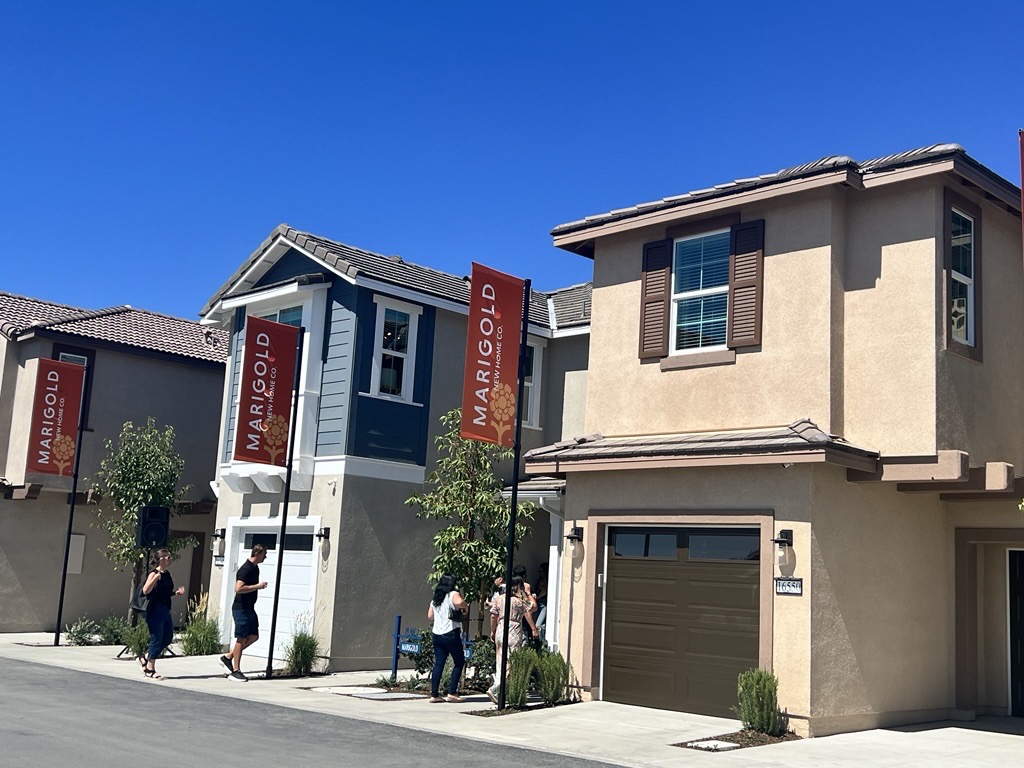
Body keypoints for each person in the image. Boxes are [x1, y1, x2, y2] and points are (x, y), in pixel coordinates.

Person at [488, 575, 539, 704]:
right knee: (511, 662)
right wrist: (528, 593)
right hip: (514, 631)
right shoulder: (519, 601)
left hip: (500, 629)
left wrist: (492, 630)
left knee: (500, 661)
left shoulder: (499, 599)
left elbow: (493, 615)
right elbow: (534, 607)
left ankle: (499, 689)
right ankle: (496, 688)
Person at [220, 543, 268, 682]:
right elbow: (238, 588)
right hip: (240, 608)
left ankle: (228, 657)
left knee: (253, 636)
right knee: (241, 638)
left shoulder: (255, 568)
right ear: (257, 553)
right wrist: (257, 586)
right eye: (264, 554)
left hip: (249, 608)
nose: (265, 557)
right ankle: (235, 671)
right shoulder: (245, 569)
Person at [140, 548, 185, 680]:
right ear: (161, 559)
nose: (170, 560)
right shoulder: (154, 573)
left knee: (167, 638)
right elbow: (145, 591)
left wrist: (176, 593)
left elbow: (164, 592)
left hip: (165, 609)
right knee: (156, 639)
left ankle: (145, 658)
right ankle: (150, 669)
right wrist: (155, 578)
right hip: (155, 611)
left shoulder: (167, 574)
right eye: (168, 557)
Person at [427, 574, 467, 703]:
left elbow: (430, 616)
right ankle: (452, 692)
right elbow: (459, 602)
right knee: (459, 661)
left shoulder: (436, 597)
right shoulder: (453, 594)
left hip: (437, 634)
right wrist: (465, 607)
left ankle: (434, 694)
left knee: (439, 664)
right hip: (450, 632)